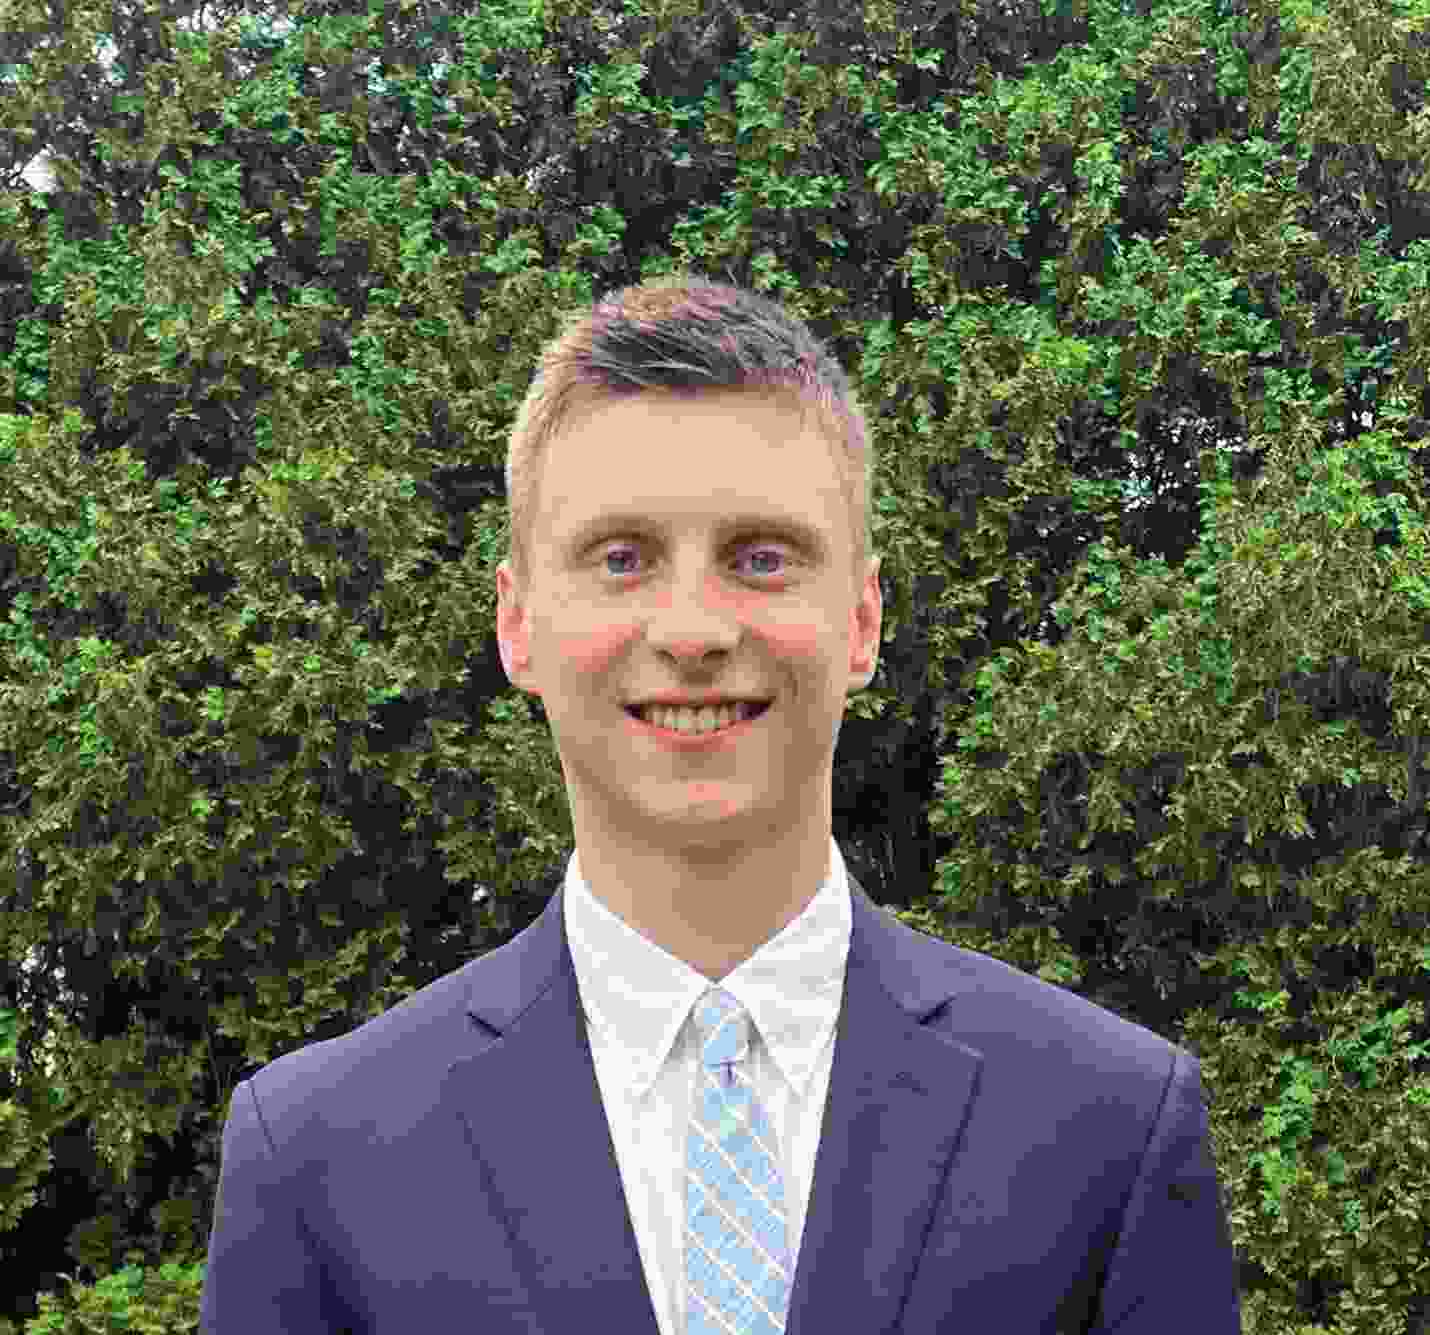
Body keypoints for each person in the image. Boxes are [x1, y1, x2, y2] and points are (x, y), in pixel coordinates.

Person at [199, 276, 1242, 1333]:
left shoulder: (1109, 1129)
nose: (693, 630)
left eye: (760, 558)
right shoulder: (315, 1160)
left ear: (862, 620)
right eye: (621, 559)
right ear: (517, 625)